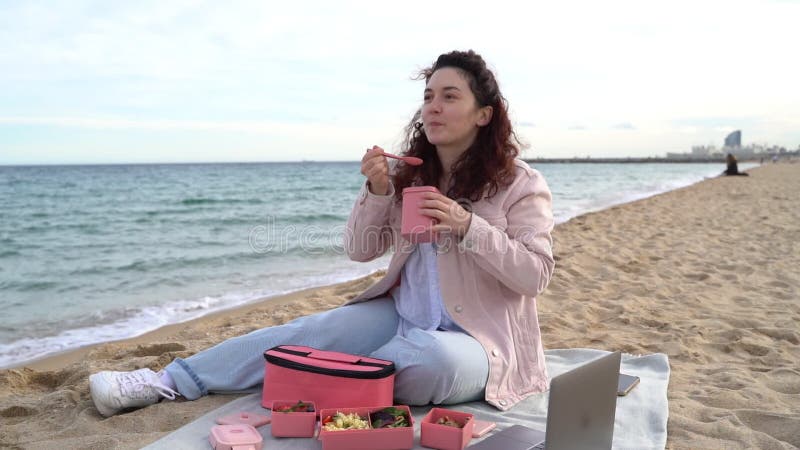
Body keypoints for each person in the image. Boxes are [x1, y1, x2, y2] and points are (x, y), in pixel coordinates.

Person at [89, 49, 555, 417]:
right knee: (313, 328)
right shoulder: (413, 178)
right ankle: (168, 380)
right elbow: (359, 250)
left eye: (450, 96)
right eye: (429, 96)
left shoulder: (521, 183)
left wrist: (467, 224)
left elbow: (535, 275)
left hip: (483, 341)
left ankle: (315, 381)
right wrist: (377, 190)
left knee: (437, 361)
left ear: (483, 115)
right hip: (404, 316)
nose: (433, 106)